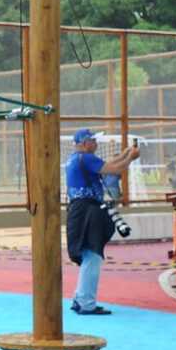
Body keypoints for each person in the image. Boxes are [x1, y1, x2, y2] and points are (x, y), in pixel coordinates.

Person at [65, 128, 141, 316]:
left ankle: (81, 298)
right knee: (93, 255)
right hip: (88, 210)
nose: (96, 144)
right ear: (84, 143)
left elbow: (110, 164)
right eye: (93, 140)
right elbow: (114, 169)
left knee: (88, 255)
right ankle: (86, 302)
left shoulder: (76, 158)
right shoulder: (86, 158)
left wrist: (125, 154)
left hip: (80, 210)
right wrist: (130, 158)